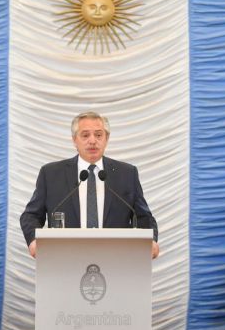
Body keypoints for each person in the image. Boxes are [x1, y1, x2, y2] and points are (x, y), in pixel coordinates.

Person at [20, 111, 160, 259]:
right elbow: (31, 215)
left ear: (107, 138)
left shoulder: (127, 173)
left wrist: (151, 240)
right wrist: (33, 241)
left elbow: (144, 217)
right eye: (85, 135)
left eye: (98, 135)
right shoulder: (51, 174)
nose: (92, 141)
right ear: (74, 140)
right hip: (65, 259)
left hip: (116, 260)